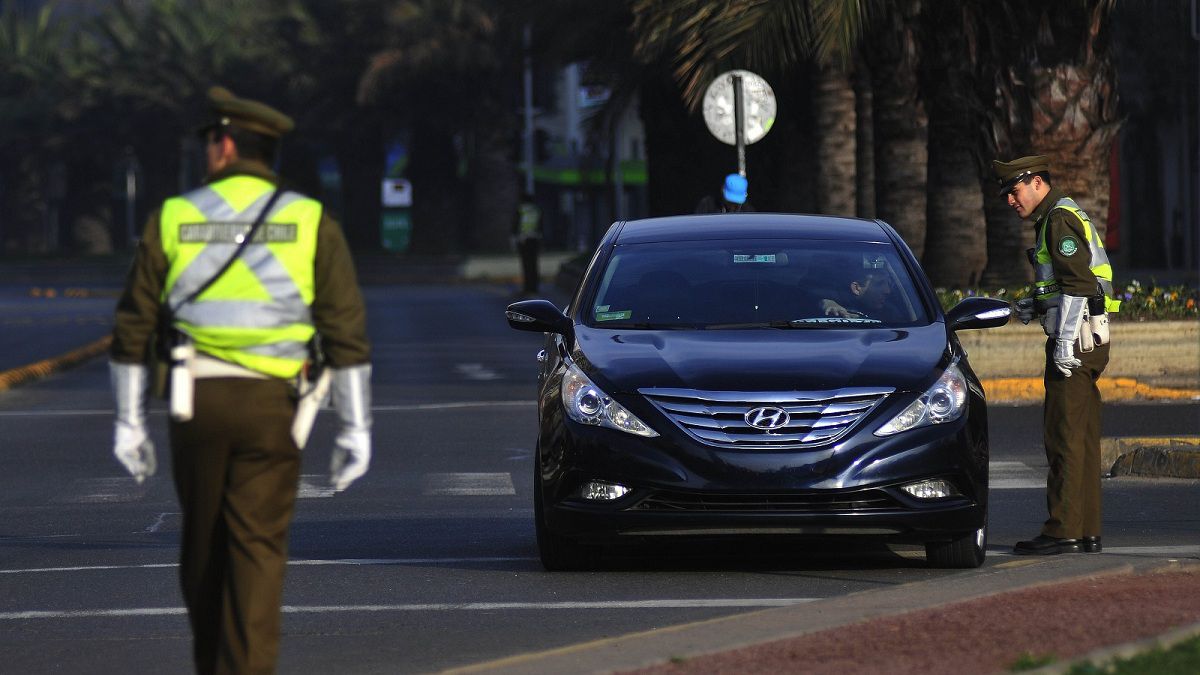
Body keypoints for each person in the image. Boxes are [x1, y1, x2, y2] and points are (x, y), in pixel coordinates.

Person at [108, 86, 373, 673]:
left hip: (195, 404)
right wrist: (356, 429)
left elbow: (133, 326)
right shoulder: (310, 222)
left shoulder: (175, 217)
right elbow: (345, 332)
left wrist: (128, 421)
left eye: (209, 142)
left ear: (224, 145)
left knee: (202, 548)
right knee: (256, 549)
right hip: (272, 407)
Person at [993, 154, 1120, 556]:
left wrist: (1063, 343)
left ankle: (1063, 529)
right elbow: (1061, 286)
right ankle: (1086, 530)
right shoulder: (1057, 217)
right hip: (1089, 339)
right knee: (1081, 438)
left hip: (1077, 342)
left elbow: (1079, 284)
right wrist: (1037, 303)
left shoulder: (1059, 220)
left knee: (1062, 437)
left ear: (1035, 183)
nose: (1011, 201)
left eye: (1014, 192)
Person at [820, 262, 894, 319]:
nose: (887, 291)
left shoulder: (894, 313)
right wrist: (828, 304)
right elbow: (819, 301)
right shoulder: (837, 310)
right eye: (879, 284)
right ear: (856, 288)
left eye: (889, 284)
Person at [512, 192, 542, 295]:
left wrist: (514, 238)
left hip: (524, 240)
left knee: (526, 265)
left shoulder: (521, 210)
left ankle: (527, 287)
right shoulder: (536, 210)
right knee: (534, 264)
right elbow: (541, 224)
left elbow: (515, 224)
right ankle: (534, 287)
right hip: (535, 239)